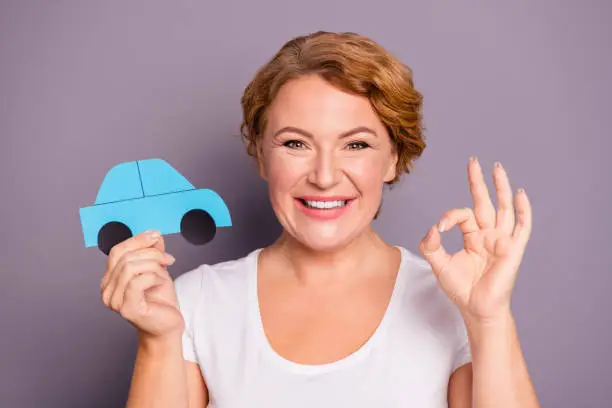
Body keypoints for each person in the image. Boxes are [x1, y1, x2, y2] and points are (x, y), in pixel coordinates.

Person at [100, 31, 540, 407]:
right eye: (295, 144)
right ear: (261, 155)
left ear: (393, 159)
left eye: (356, 145)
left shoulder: (452, 303)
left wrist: (488, 319)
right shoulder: (194, 304)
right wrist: (158, 342)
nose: (325, 177)